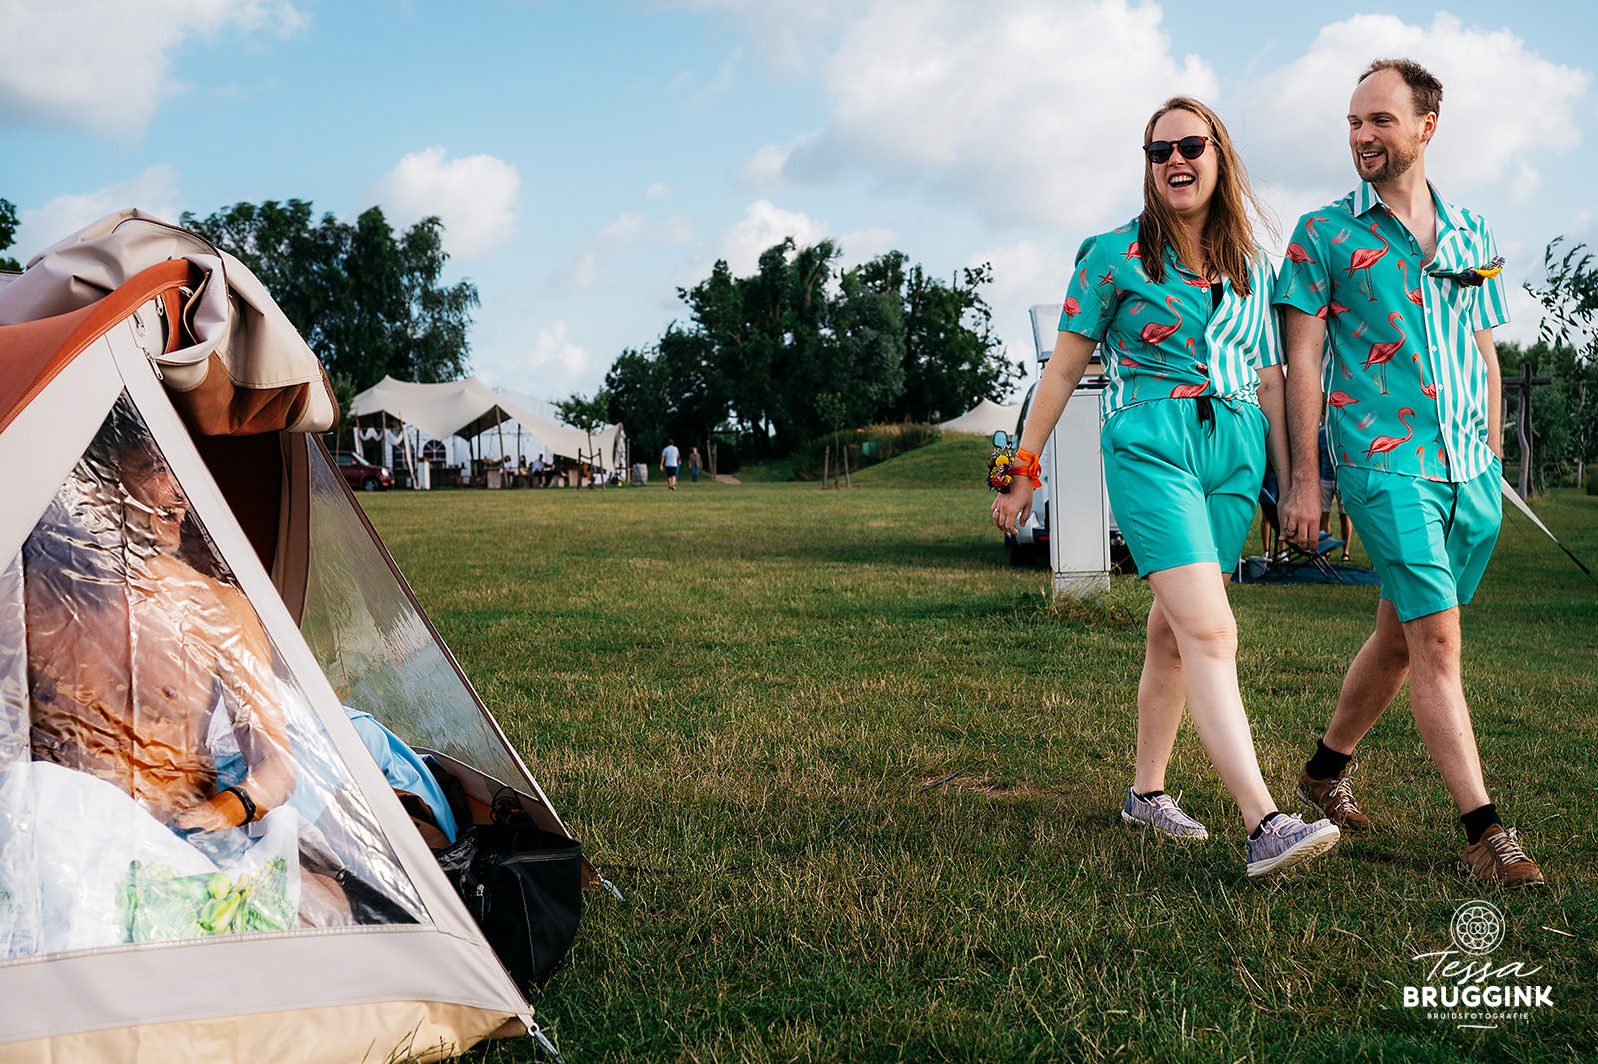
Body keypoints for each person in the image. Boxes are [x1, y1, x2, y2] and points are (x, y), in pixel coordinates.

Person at [994, 96, 1339, 877]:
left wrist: (1294, 485)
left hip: (1236, 450)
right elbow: (1063, 367)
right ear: (1149, 168)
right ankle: (1265, 823)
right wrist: (1019, 469)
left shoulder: (1253, 261)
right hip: (1153, 445)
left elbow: (1272, 376)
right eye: (1159, 152)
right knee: (1212, 634)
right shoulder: (1114, 254)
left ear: (1219, 154)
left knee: (1173, 633)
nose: (1176, 161)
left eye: (1191, 145)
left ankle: (1146, 795)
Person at [1274, 59, 1542, 886]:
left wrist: (1495, 456)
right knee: (1436, 639)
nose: (1362, 136)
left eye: (1379, 121)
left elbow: (1485, 350)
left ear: (1427, 126)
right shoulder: (1322, 235)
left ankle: (1322, 772)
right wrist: (1309, 480)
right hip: (1385, 466)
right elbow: (1303, 359)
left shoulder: (1474, 232)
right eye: (1354, 122)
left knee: (1397, 639)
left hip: (1470, 470)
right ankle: (1485, 834)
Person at [1317, 425, 1354, 563]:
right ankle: (1325, 550)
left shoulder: (1346, 431)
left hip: (1341, 480)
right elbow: (1318, 455)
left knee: (1344, 517)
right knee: (1324, 516)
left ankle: (1346, 551)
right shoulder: (1321, 433)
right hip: (1325, 479)